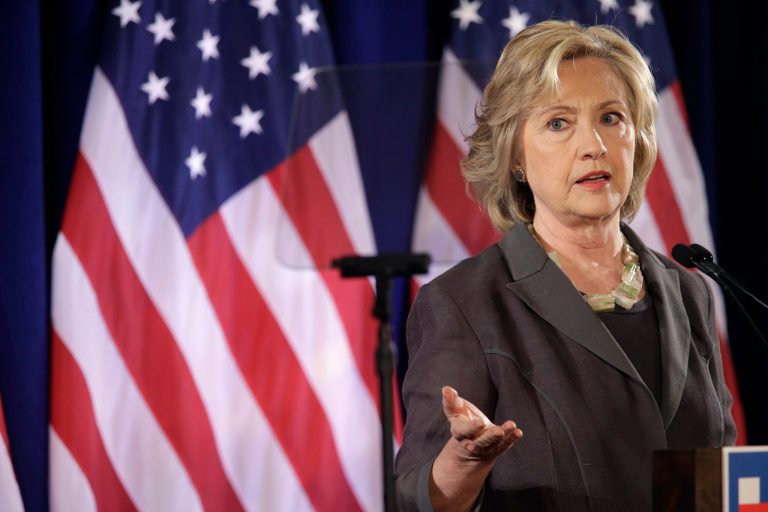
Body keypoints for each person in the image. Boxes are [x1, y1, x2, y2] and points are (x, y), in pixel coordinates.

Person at [394, 19, 736, 512]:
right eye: (558, 123)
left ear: (637, 138)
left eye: (612, 118)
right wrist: (463, 462)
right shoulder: (464, 303)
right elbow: (414, 500)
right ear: (515, 155)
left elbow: (715, 477)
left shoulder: (689, 292)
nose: (593, 144)